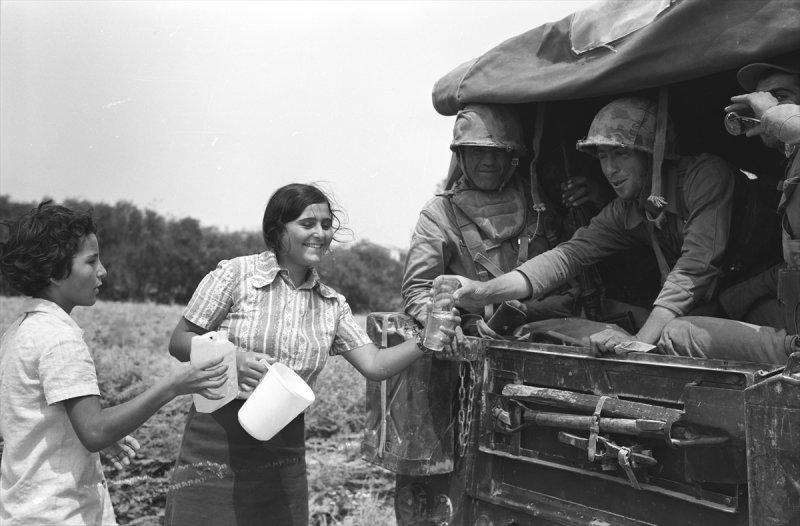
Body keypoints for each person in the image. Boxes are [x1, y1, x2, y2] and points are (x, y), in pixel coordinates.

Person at [163, 183, 459, 526]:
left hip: (282, 449)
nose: (320, 233)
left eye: (326, 224)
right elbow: (180, 340)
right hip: (215, 437)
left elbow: (375, 365)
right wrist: (233, 358)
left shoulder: (331, 305)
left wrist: (427, 338)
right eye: (307, 224)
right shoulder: (236, 275)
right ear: (277, 230)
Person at [448, 96, 739, 353]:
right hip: (713, 301)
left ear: (653, 154)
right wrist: (482, 290)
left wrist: (640, 342)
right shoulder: (627, 209)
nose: (610, 169)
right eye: (602, 156)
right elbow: (568, 256)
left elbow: (694, 268)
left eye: (621, 153)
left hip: (759, 288)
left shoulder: (705, 178)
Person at [0, 201, 229, 526]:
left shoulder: (19, 330)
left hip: (23, 509)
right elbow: (94, 430)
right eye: (91, 261)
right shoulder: (60, 339)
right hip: (61, 515)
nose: (103, 271)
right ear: (54, 271)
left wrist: (89, 438)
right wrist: (174, 385)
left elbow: (38, 422)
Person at [402, 103, 611, 334]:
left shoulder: (538, 201)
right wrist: (446, 328)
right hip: (477, 334)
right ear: (461, 154)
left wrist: (597, 198)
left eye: (498, 151)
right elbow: (418, 290)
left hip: (545, 326)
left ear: (512, 156)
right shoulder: (439, 214)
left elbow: (575, 254)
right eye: (478, 151)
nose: (489, 161)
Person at [659, 57, 800, 363]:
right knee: (750, 308)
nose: (764, 106)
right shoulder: (791, 168)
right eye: (761, 99)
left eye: (781, 96)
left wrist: (779, 117)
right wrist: (728, 301)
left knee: (677, 332)